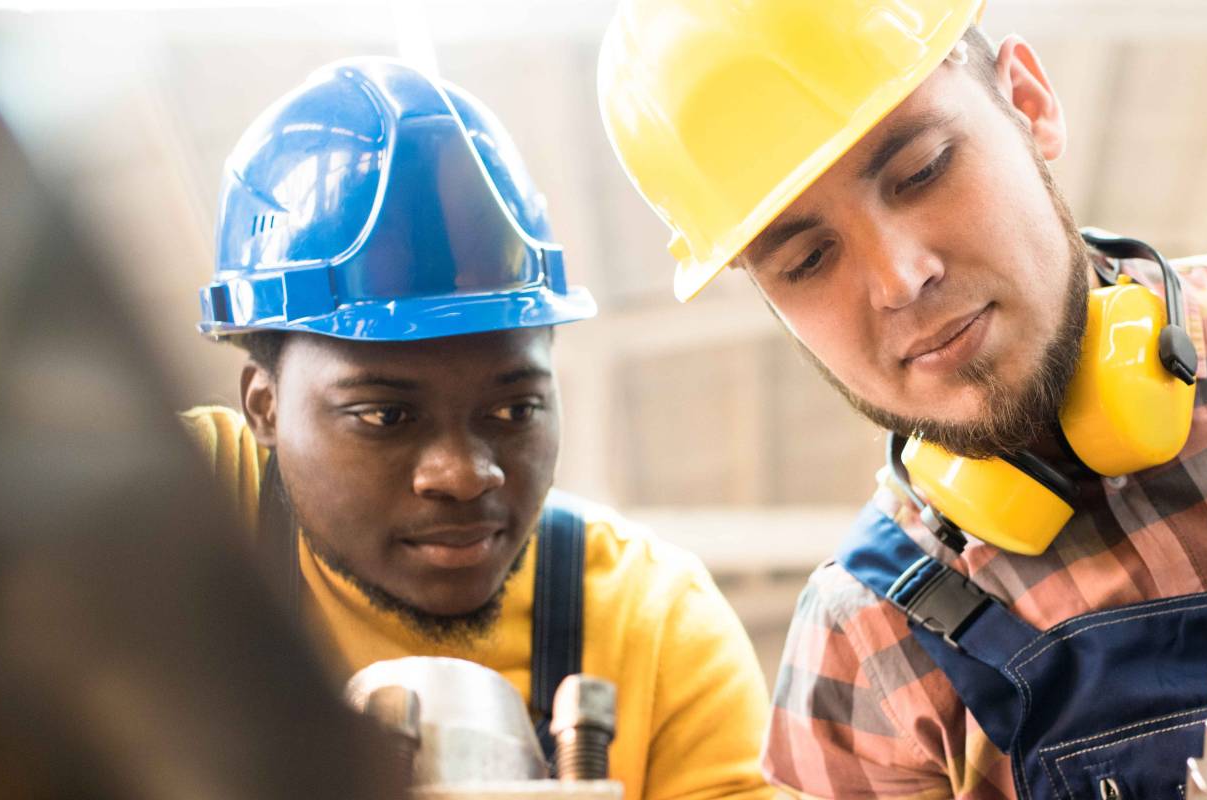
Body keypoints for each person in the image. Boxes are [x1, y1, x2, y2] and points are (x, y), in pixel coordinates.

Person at [596, 3, 1207, 798]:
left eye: (922, 168)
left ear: (1029, 104)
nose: (899, 277)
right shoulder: (861, 653)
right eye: (809, 258)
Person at [187, 58, 772, 800]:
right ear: (263, 407)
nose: (464, 475)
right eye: (385, 416)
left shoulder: (654, 629)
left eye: (514, 411)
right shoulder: (184, 506)